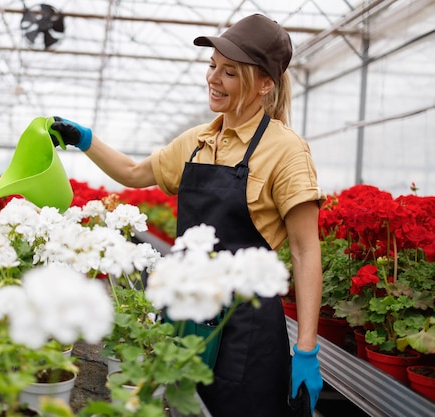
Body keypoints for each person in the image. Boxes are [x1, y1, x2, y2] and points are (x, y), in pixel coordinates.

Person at [50, 13, 324, 417]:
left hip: (244, 326)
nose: (214, 78)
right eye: (213, 66)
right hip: (187, 316)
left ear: (265, 83)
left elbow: (305, 251)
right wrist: (85, 140)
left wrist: (306, 349)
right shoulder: (196, 142)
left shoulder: (286, 150)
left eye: (230, 72)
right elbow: (133, 172)